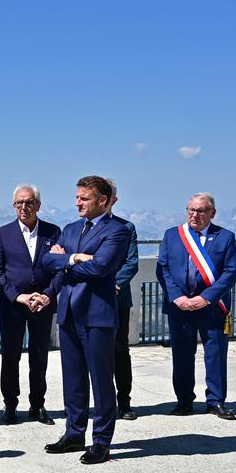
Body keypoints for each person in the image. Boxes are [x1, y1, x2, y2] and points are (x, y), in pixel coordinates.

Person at [41, 176, 131, 465]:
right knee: (73, 379)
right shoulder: (70, 229)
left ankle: (101, 441)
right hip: (68, 313)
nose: (77, 202)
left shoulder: (118, 231)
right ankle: (74, 432)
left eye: (84, 198)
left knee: (102, 380)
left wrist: (66, 261)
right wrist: (75, 258)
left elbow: (101, 268)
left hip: (97, 316)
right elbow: (46, 261)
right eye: (77, 197)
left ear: (102, 201)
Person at [156, 192, 236, 420]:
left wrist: (206, 297)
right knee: (182, 355)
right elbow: (163, 269)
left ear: (212, 213)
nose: (194, 215)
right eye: (191, 210)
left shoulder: (225, 237)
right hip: (179, 306)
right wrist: (177, 297)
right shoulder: (173, 235)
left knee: (215, 354)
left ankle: (215, 401)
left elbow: (230, 272)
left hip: (212, 306)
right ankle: (184, 401)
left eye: (200, 211)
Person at [0, 185, 62, 426]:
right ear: (13, 206)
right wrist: (17, 296)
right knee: (10, 357)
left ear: (38, 205)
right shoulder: (2, 233)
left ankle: (37, 405)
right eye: (19, 203)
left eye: (29, 202)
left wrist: (48, 295)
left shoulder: (53, 232)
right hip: (13, 306)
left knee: (39, 356)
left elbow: (60, 268)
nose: (24, 207)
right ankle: (10, 404)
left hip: (42, 305)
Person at [106, 179, 140, 420]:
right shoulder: (81, 227)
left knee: (120, 350)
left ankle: (124, 401)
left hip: (118, 300)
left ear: (113, 200)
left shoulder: (126, 227)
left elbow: (131, 262)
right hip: (90, 300)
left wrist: (114, 284)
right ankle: (101, 402)